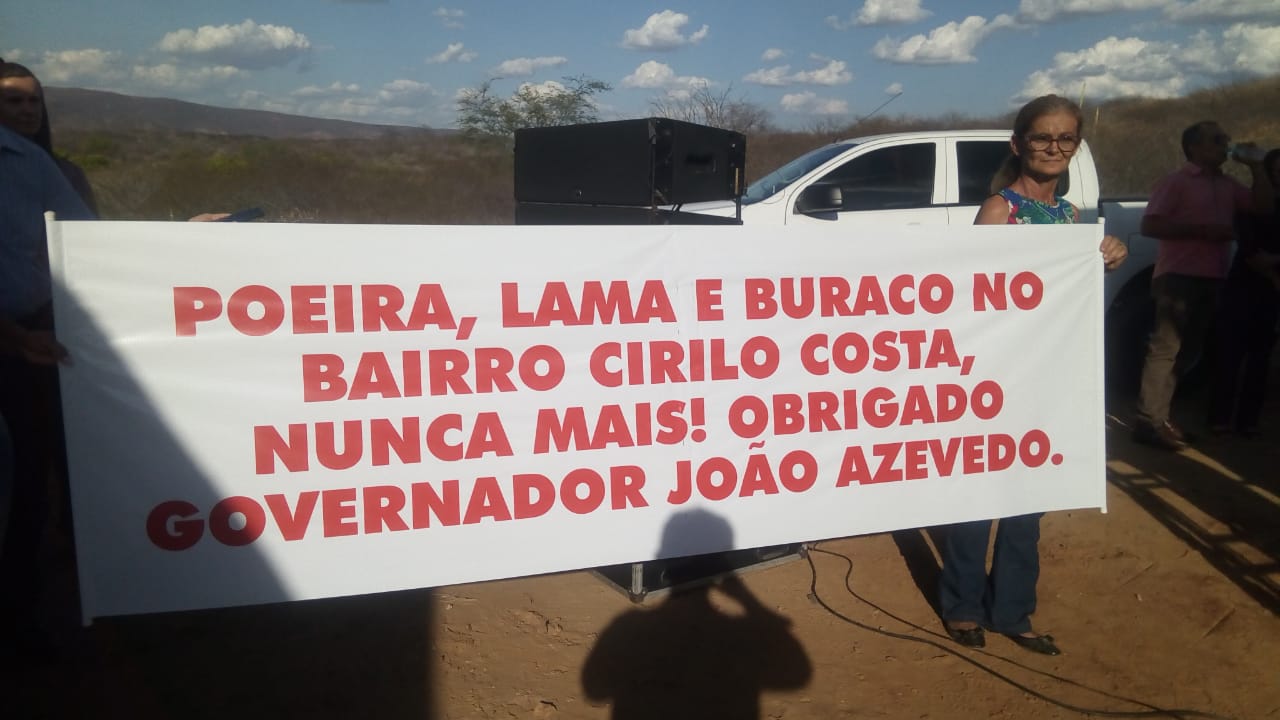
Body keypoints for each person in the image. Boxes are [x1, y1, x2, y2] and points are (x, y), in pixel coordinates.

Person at [940, 94, 1127, 656]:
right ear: (1019, 144)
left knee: (1030, 497)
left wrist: (1102, 256)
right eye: (1043, 137)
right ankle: (963, 605)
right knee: (979, 494)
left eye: (1065, 138)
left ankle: (1013, 610)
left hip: (1047, 376)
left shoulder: (1069, 218)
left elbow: (1063, 296)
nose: (1053, 147)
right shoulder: (999, 210)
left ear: (1076, 145)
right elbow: (974, 297)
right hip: (996, 374)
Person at [0, 121, 93, 649]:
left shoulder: (27, 160)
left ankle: (19, 613)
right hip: (19, 339)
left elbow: (86, 234)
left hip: (27, 340)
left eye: (29, 99)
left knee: (28, 475)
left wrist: (184, 235)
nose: (21, 109)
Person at [1131, 121, 1273, 450]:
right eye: (1216, 139)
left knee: (1190, 351)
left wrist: (1257, 167)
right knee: (1165, 349)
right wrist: (1203, 231)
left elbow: (1263, 208)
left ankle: (1160, 417)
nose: (1225, 144)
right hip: (1177, 277)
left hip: (1213, 277)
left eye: (1225, 138)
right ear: (1194, 147)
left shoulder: (1227, 185)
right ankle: (1148, 421)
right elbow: (1150, 224)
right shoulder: (1176, 182)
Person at [1208, 148, 1280, 437]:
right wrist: (1270, 269)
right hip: (1243, 286)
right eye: (1275, 170)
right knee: (1230, 353)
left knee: (1261, 357)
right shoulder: (1249, 203)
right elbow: (1248, 248)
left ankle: (1249, 421)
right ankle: (1220, 418)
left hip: (1271, 289)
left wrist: (1274, 264)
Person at [0, 62, 98, 214]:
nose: (28, 110)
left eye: (34, 100)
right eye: (14, 101)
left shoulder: (67, 173)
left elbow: (84, 225)